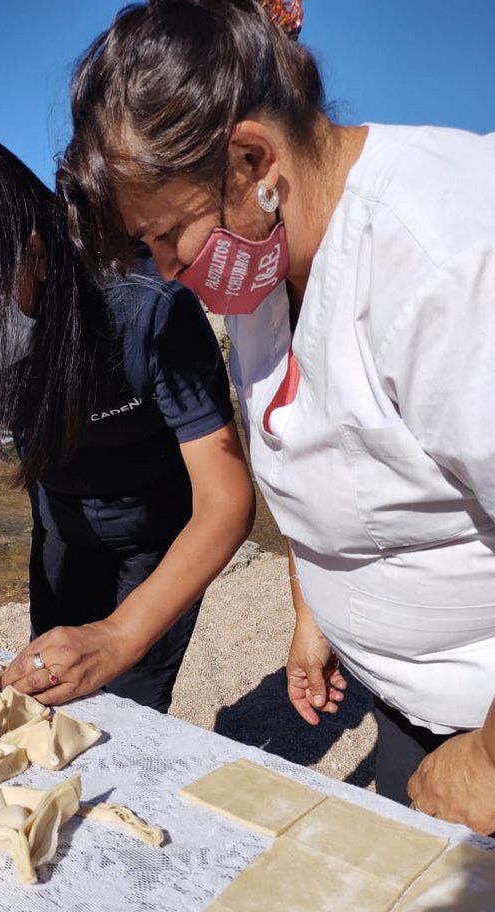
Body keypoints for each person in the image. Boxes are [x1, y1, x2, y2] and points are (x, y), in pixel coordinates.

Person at [57, 0, 495, 831]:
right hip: (408, 701)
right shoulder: (265, 262)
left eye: (166, 234)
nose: (167, 271)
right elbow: (317, 448)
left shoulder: (449, 252)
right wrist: (312, 609)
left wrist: (485, 763)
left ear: (252, 157)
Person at [0, 126, 254, 715]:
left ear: (34, 254)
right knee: (49, 699)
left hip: (161, 539)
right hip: (62, 530)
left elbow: (226, 499)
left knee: (129, 709)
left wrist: (119, 636)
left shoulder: (145, 307)